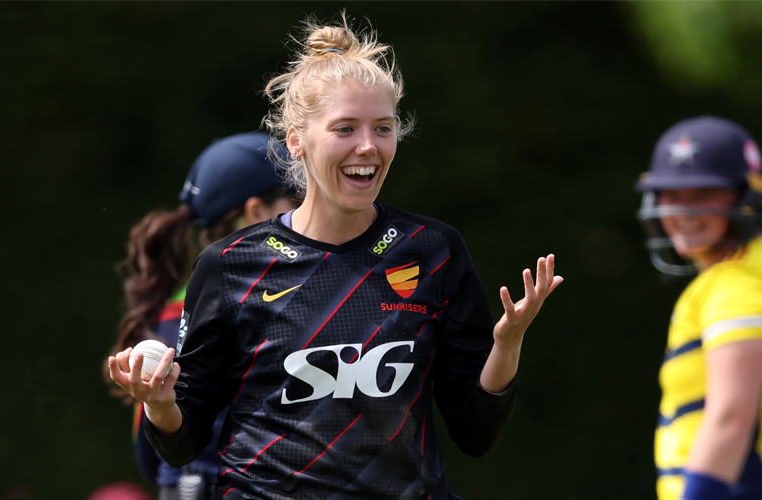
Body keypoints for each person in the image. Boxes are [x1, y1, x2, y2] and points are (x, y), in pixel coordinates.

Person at [109, 14, 562, 500]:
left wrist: (506, 345)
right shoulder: (230, 263)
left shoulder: (434, 250)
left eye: (383, 128)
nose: (368, 146)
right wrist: (160, 405)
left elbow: (475, 434)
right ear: (297, 141)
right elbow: (184, 443)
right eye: (345, 128)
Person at [106, 132, 300, 500]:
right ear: (257, 212)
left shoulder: (173, 305)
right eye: (295, 202)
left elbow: (149, 456)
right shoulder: (286, 300)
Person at [636, 116, 762, 500]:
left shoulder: (735, 283)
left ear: (748, 197)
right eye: (671, 195)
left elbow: (732, 415)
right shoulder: (734, 276)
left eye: (704, 193)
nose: (684, 211)